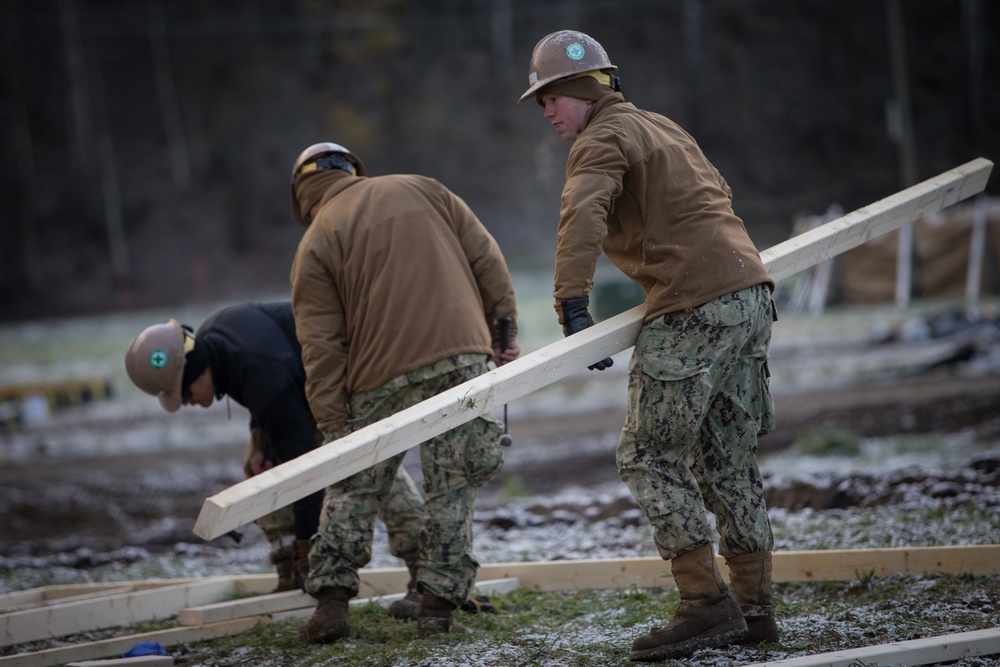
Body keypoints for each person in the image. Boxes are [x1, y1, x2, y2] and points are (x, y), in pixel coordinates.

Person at [518, 30, 779, 661]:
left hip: (692, 306)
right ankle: (758, 613)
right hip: (749, 297)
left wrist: (572, 306)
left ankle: (705, 605)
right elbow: (718, 196)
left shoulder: (601, 138)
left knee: (649, 456)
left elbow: (582, 214)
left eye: (552, 97)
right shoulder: (662, 127)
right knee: (727, 460)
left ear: (584, 89)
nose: (547, 112)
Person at [288, 142, 520, 642]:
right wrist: (503, 335)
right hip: (463, 358)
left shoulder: (315, 240)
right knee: (451, 488)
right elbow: (488, 260)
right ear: (353, 171)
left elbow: (321, 344)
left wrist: (333, 425)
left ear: (305, 199)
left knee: (352, 488)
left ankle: (331, 608)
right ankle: (435, 610)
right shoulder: (424, 188)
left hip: (377, 375)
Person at [124, 302, 425, 614]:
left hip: (351, 382)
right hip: (301, 389)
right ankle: (288, 568)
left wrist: (307, 547)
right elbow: (263, 395)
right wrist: (262, 443)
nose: (186, 402)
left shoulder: (259, 372)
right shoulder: (216, 339)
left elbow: (307, 473)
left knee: (368, 471)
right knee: (259, 467)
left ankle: (425, 573)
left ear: (196, 369)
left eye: (183, 393)